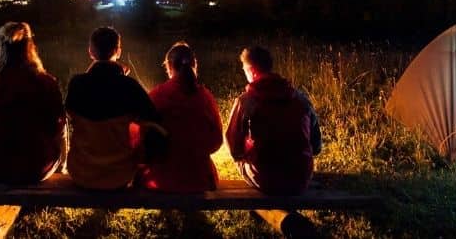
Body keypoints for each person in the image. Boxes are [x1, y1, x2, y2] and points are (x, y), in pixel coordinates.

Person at [65, 26, 161, 190]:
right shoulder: (129, 86)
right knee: (142, 125)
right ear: (118, 51)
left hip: (81, 173)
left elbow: (68, 114)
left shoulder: (77, 84)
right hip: (120, 175)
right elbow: (154, 120)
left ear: (91, 51)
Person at [0, 21, 66, 183]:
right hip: (36, 169)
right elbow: (56, 126)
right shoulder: (45, 83)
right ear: (30, 47)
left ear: (0, 49)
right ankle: (63, 167)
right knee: (62, 127)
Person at [225, 45, 322, 194]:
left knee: (244, 162)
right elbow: (316, 147)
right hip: (300, 178)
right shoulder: (300, 99)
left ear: (252, 71)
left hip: (266, 179)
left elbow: (234, 149)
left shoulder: (246, 101)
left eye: (244, 70)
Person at [138, 42, 223, 192]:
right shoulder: (205, 97)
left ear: (169, 66)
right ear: (194, 65)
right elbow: (216, 142)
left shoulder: (157, 95)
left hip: (162, 180)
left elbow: (142, 138)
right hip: (199, 179)